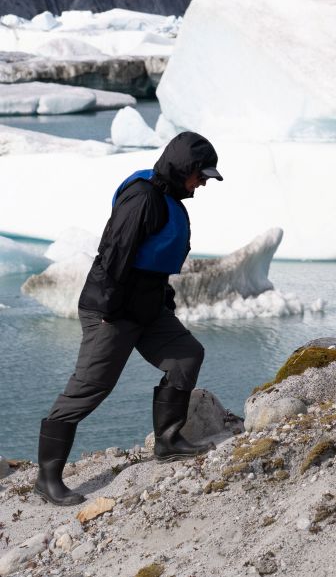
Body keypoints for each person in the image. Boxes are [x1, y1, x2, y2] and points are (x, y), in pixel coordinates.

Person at [35, 131, 223, 507]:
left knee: (186, 355)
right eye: (201, 174)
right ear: (184, 167)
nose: (203, 182)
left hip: (147, 308)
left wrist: (162, 301)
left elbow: (152, 264)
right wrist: (110, 313)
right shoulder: (143, 199)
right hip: (112, 310)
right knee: (90, 387)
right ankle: (47, 478)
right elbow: (115, 255)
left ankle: (167, 441)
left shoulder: (167, 197)